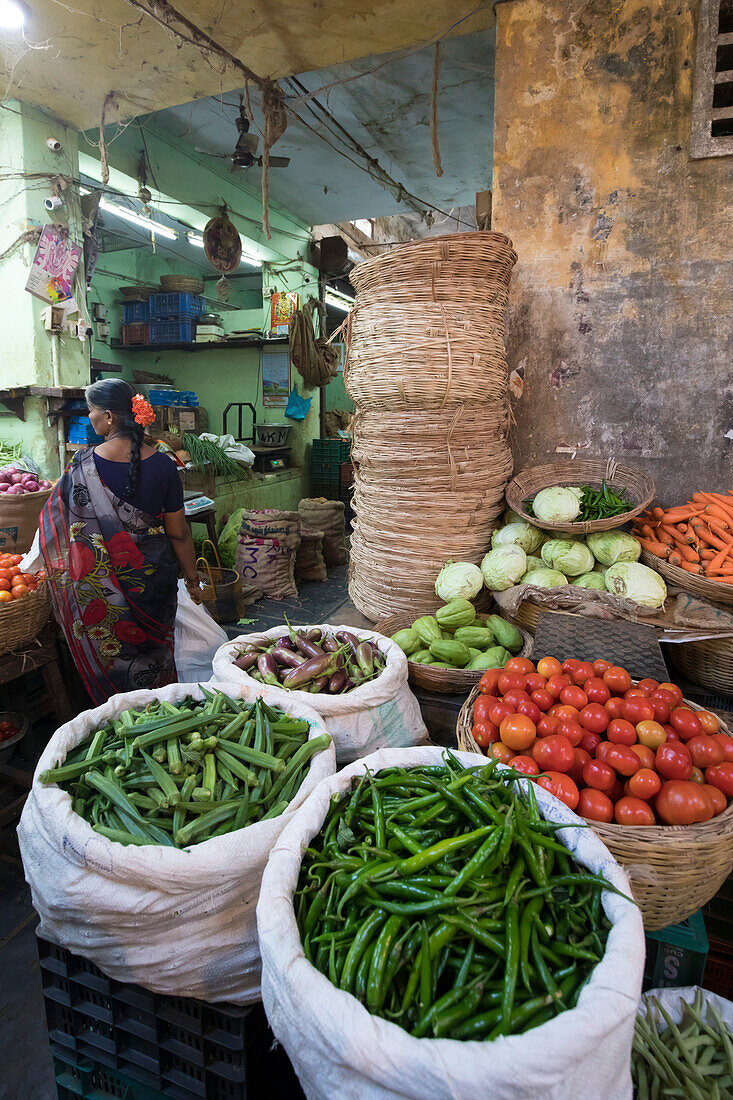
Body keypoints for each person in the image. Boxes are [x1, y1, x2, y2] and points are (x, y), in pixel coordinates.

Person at [40, 378, 203, 705]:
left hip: (101, 589)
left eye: (92, 411)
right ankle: (161, 712)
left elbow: (57, 526)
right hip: (154, 583)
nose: (90, 418)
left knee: (112, 654)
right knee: (156, 653)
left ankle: (118, 717)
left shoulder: (80, 465)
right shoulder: (164, 464)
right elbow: (178, 532)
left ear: (110, 417)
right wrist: (194, 580)